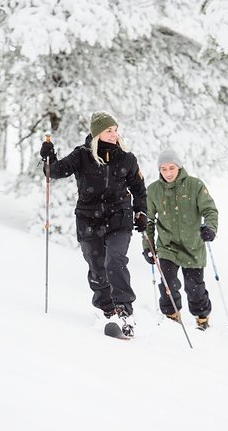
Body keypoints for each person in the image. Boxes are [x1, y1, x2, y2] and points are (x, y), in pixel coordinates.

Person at [40, 111, 147, 337]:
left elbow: (139, 189)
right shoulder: (82, 155)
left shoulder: (127, 158)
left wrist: (141, 212)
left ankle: (125, 311)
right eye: (109, 130)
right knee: (97, 268)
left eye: (115, 130)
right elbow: (55, 172)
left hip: (119, 219)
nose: (114, 134)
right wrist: (48, 158)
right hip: (89, 219)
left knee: (115, 261)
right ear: (97, 133)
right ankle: (108, 311)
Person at [142, 148, 218, 330]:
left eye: (171, 168)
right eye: (163, 169)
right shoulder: (153, 190)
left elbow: (209, 210)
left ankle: (202, 319)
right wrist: (148, 246)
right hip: (168, 246)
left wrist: (210, 228)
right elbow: (148, 220)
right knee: (168, 283)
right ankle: (171, 317)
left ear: (179, 167)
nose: (168, 173)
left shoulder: (195, 185)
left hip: (193, 245)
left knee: (195, 288)